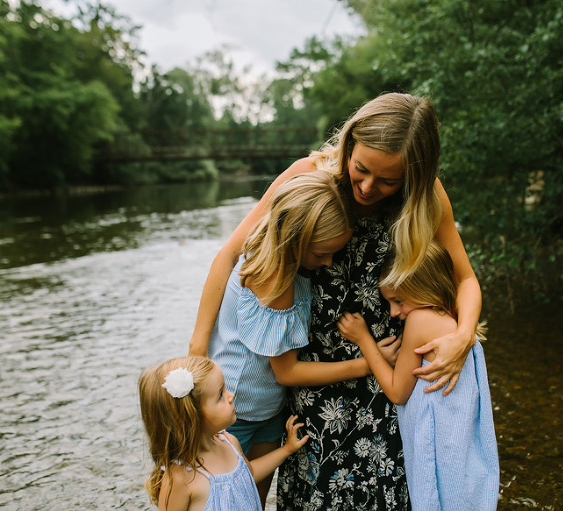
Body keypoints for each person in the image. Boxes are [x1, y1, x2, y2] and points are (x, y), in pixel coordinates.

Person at [188, 92, 483, 510]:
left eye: (388, 181)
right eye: (361, 168)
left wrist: (463, 336)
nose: (368, 187)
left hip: (387, 378)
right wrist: (198, 348)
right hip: (313, 380)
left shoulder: (425, 197)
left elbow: (465, 278)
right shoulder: (308, 177)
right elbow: (230, 256)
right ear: (349, 145)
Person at [207, 171, 399, 507]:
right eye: (322, 253)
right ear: (295, 239)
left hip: (266, 410)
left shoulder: (284, 261)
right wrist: (369, 362)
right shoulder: (276, 280)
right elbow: (287, 372)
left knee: (251, 502)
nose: (328, 262)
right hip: (237, 411)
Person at [337, 241, 499, 511]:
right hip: (461, 449)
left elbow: (397, 392)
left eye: (398, 301)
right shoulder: (456, 318)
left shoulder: (420, 320)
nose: (393, 313)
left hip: (441, 450)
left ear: (424, 288)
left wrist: (364, 339)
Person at [137, 356, 308, 511]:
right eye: (220, 395)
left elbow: (250, 474)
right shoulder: (180, 478)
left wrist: (286, 449)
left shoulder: (230, 442)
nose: (231, 395)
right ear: (193, 417)